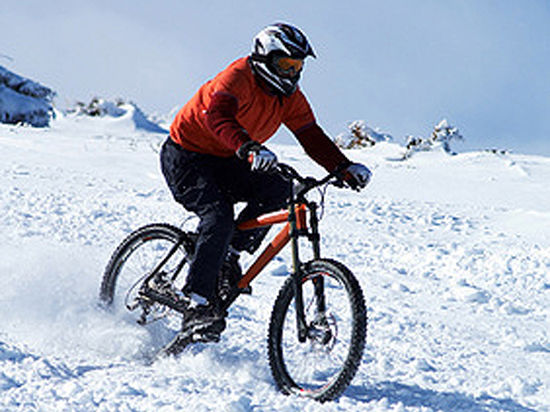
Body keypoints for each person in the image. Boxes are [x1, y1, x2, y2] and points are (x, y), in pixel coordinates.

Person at [160, 23, 372, 341]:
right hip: (188, 156)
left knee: (278, 189)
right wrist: (248, 147)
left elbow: (310, 135)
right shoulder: (236, 78)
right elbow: (218, 117)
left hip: (229, 158)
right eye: (285, 64)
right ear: (263, 58)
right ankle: (197, 303)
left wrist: (343, 166)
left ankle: (229, 254)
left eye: (297, 66)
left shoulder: (289, 97)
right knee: (218, 217)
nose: (291, 73)